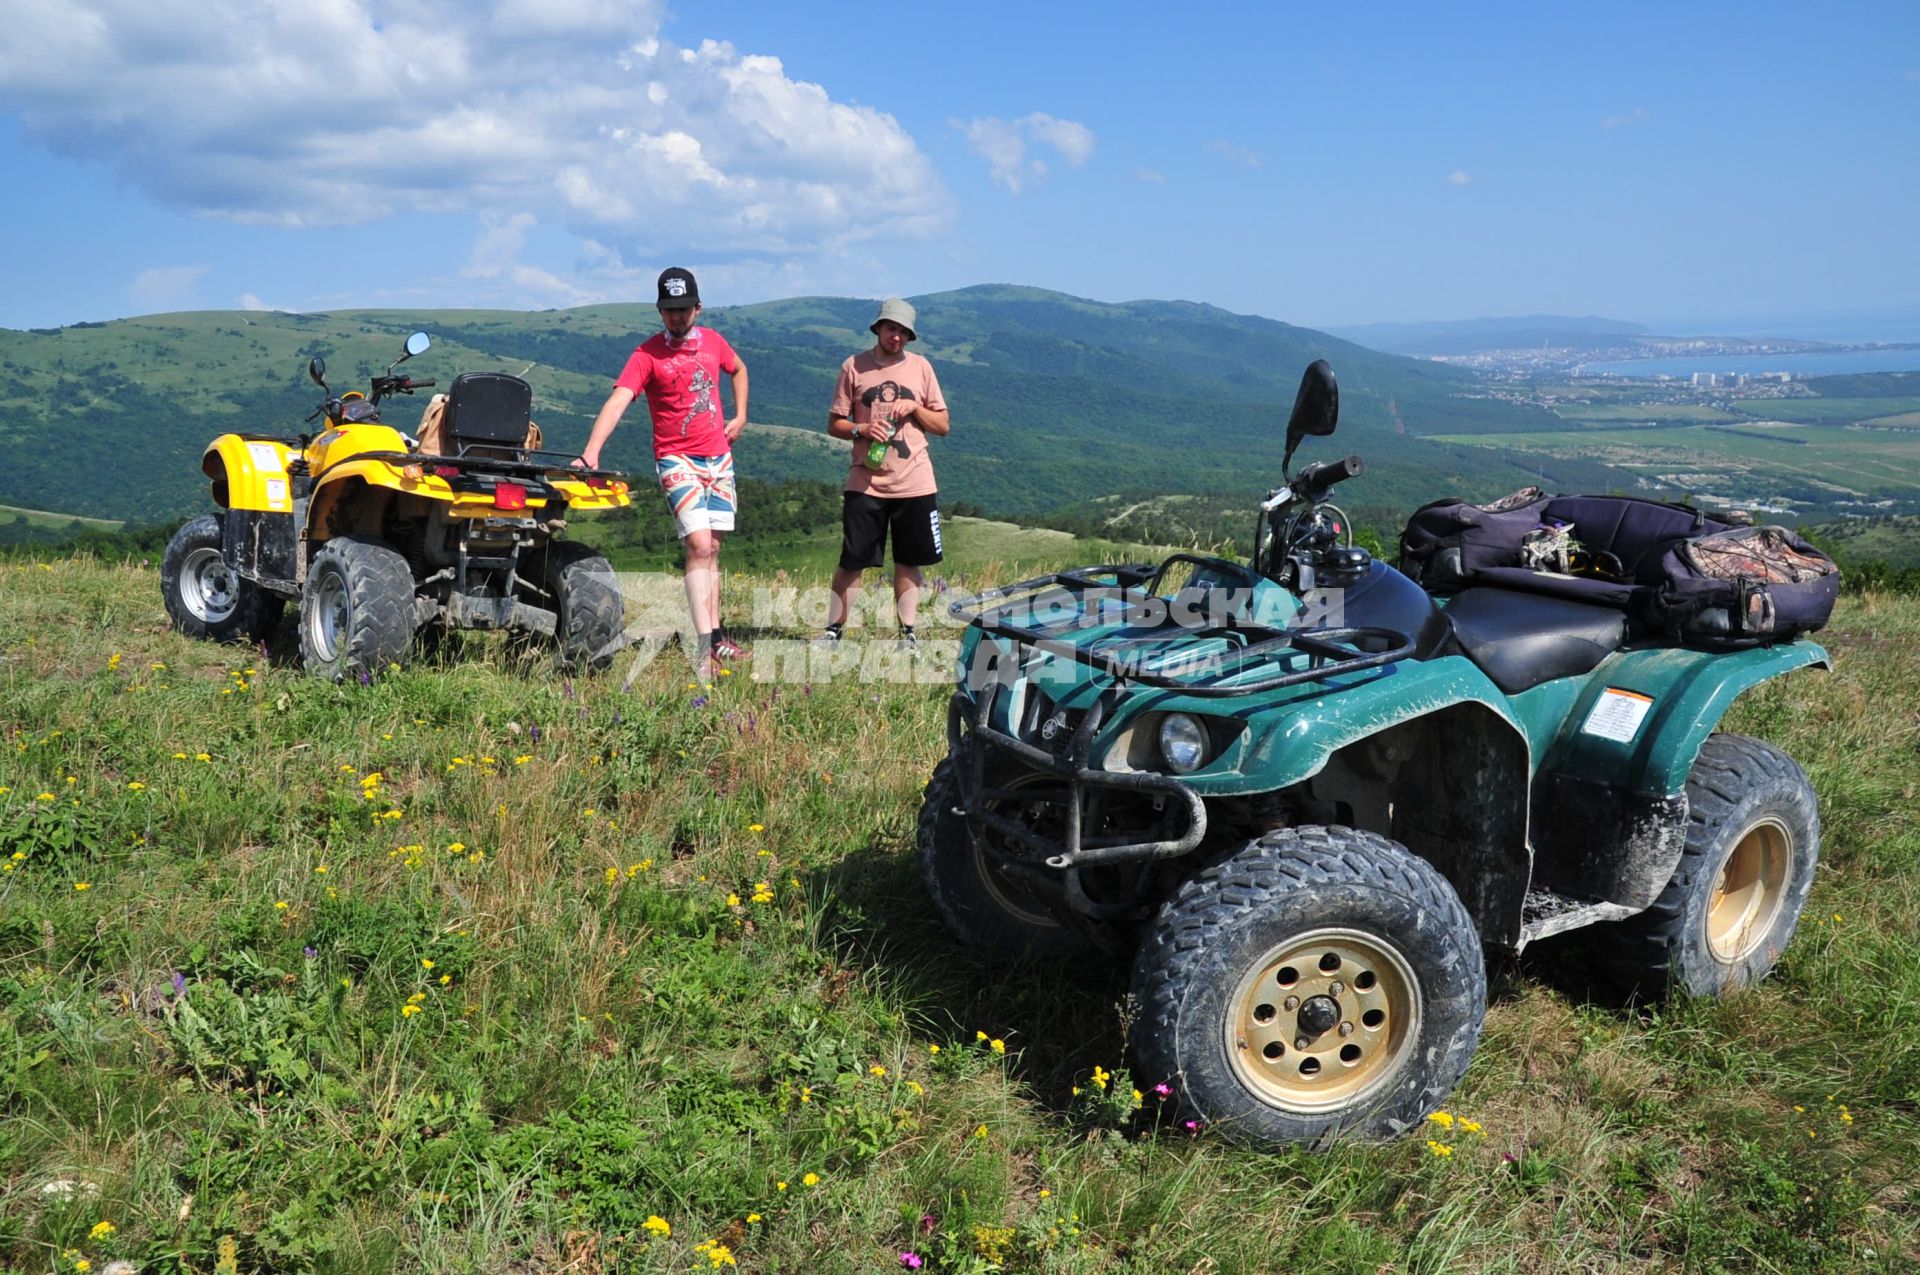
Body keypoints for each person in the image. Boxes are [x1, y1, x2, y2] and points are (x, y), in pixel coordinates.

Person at [578, 267, 748, 676]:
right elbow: (619, 400)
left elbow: (738, 368)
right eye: (670, 310)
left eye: (684, 309)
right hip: (677, 458)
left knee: (713, 549)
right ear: (659, 310)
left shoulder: (714, 342)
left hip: (719, 457)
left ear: (698, 308)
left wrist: (741, 416)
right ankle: (707, 643)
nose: (677, 317)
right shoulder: (646, 355)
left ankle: (716, 634)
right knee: (699, 546)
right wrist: (591, 451)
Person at [820, 298, 950, 648]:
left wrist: (916, 408)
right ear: (878, 328)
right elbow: (835, 424)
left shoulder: (921, 367)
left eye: (904, 332)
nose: (897, 337)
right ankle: (834, 630)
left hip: (915, 480)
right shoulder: (854, 367)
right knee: (853, 560)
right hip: (866, 480)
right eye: (892, 329)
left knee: (909, 561)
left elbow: (942, 424)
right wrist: (863, 429)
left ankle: (907, 634)